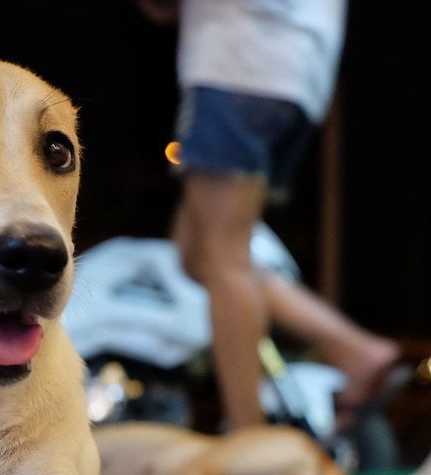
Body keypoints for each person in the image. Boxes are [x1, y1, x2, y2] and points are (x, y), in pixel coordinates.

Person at [137, 0, 400, 430]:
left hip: (239, 65)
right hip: (296, 68)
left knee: (224, 260)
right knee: (196, 252)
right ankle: (353, 348)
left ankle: (250, 436)